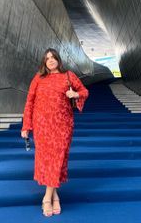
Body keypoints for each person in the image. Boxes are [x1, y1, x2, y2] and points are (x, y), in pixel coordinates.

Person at [21, 48, 89, 217]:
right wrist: (25, 126)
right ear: (44, 62)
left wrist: (74, 93)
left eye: (53, 57)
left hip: (63, 125)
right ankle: (54, 196)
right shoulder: (38, 78)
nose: (50, 60)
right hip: (42, 125)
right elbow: (29, 102)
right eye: (47, 58)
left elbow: (84, 92)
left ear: (58, 59)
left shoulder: (68, 75)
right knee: (47, 160)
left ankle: (46, 197)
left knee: (57, 160)